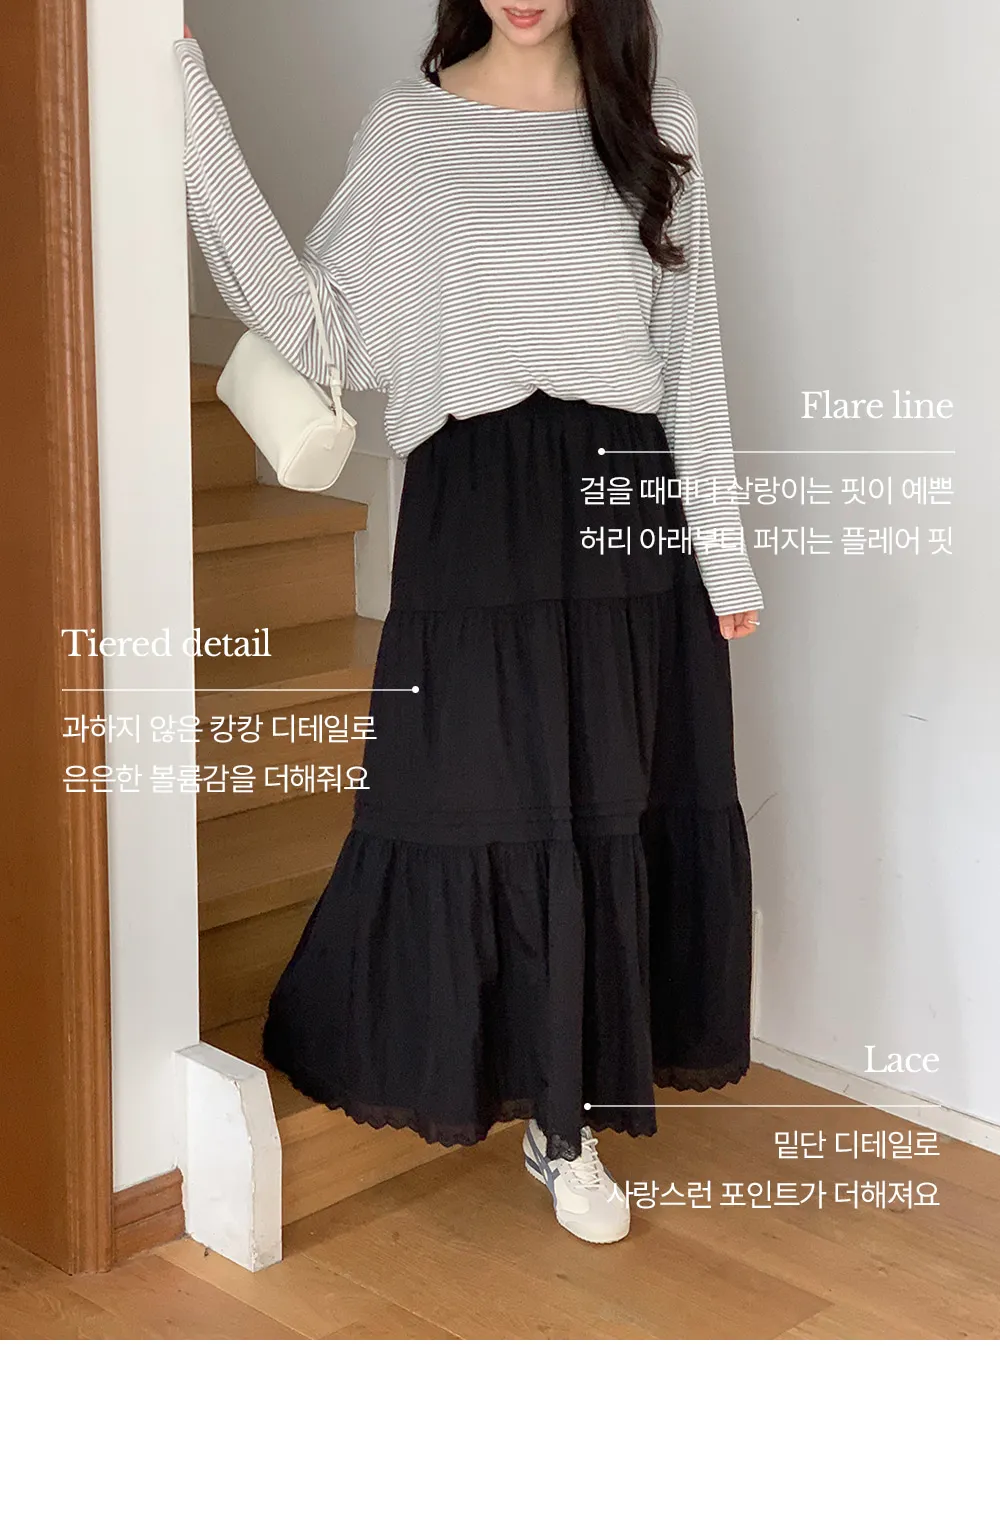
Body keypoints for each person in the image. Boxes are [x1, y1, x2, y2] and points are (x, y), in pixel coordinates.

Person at [175, 0, 764, 1246]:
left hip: (621, 497)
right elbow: (322, 325)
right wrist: (189, 109)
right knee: (468, 800)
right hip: (472, 500)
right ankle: (469, 1055)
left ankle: (567, 1122)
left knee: (603, 808)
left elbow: (686, 352)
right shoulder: (412, 130)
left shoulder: (655, 126)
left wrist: (722, 556)